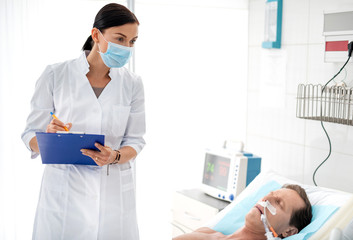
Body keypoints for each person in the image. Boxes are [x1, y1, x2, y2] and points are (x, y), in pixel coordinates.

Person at [21, 3, 145, 239]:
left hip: (113, 194)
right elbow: (29, 135)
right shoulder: (56, 74)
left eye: (132, 41)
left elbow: (136, 141)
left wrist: (114, 156)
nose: (127, 47)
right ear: (96, 35)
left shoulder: (132, 84)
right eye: (120, 38)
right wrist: (47, 137)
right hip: (64, 195)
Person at [173, 184, 312, 240]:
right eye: (270, 194)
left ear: (289, 232)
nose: (266, 198)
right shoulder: (207, 233)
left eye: (279, 203)